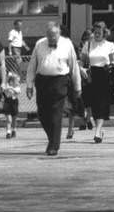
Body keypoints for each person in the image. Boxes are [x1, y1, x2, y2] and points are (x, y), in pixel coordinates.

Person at [24, 22, 82, 155]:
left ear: (59, 34)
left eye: (54, 36)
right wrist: (29, 85)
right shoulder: (40, 44)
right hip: (42, 81)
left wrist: (77, 86)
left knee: (56, 113)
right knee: (42, 114)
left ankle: (54, 146)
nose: (52, 39)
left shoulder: (67, 44)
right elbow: (32, 65)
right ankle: (52, 138)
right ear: (46, 35)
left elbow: (74, 67)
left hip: (60, 81)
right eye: (49, 36)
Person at [82, 21, 114, 142]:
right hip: (92, 77)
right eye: (95, 32)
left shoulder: (109, 45)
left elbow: (113, 61)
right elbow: (82, 62)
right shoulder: (88, 45)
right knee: (94, 105)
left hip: (104, 76)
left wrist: (111, 66)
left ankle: (97, 131)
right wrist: (83, 70)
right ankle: (99, 130)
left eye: (99, 32)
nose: (97, 34)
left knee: (102, 105)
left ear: (104, 33)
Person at [0, 36, 25, 137]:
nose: (11, 82)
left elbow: (18, 91)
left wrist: (12, 88)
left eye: (13, 81)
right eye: (10, 80)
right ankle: (8, 131)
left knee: (14, 118)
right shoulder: (7, 84)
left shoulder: (16, 86)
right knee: (8, 118)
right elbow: (4, 91)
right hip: (8, 102)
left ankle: (14, 129)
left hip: (14, 102)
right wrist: (5, 88)